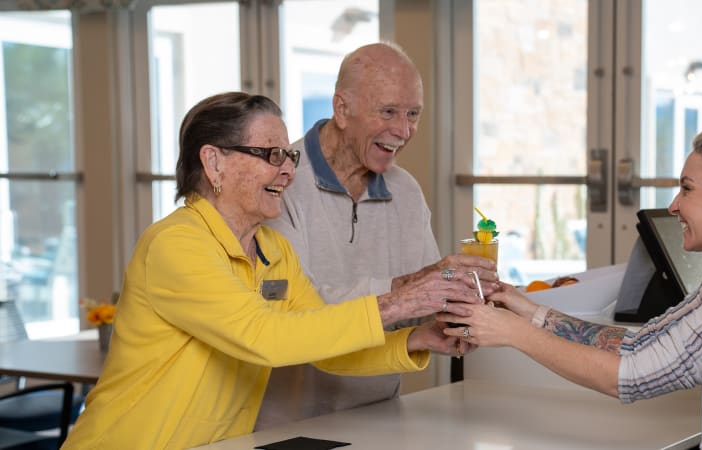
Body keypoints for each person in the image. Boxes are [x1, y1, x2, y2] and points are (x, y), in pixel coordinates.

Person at [61, 92, 483, 450]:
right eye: (271, 155)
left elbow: (320, 342)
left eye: (289, 155)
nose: (288, 170)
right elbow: (266, 338)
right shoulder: (176, 244)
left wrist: (414, 338)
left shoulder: (272, 250)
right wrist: (398, 302)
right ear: (214, 163)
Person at [441, 123, 702, 449]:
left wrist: (514, 334)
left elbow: (628, 376)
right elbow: (638, 343)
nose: (673, 206)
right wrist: (524, 307)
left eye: (687, 188)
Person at [256, 41, 499, 428]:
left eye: (413, 114)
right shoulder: (281, 186)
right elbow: (299, 313)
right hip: (290, 424)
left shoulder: (406, 190)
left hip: (382, 415)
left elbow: (423, 301)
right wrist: (416, 286)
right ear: (341, 109)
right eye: (388, 112)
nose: (403, 130)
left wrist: (463, 299)